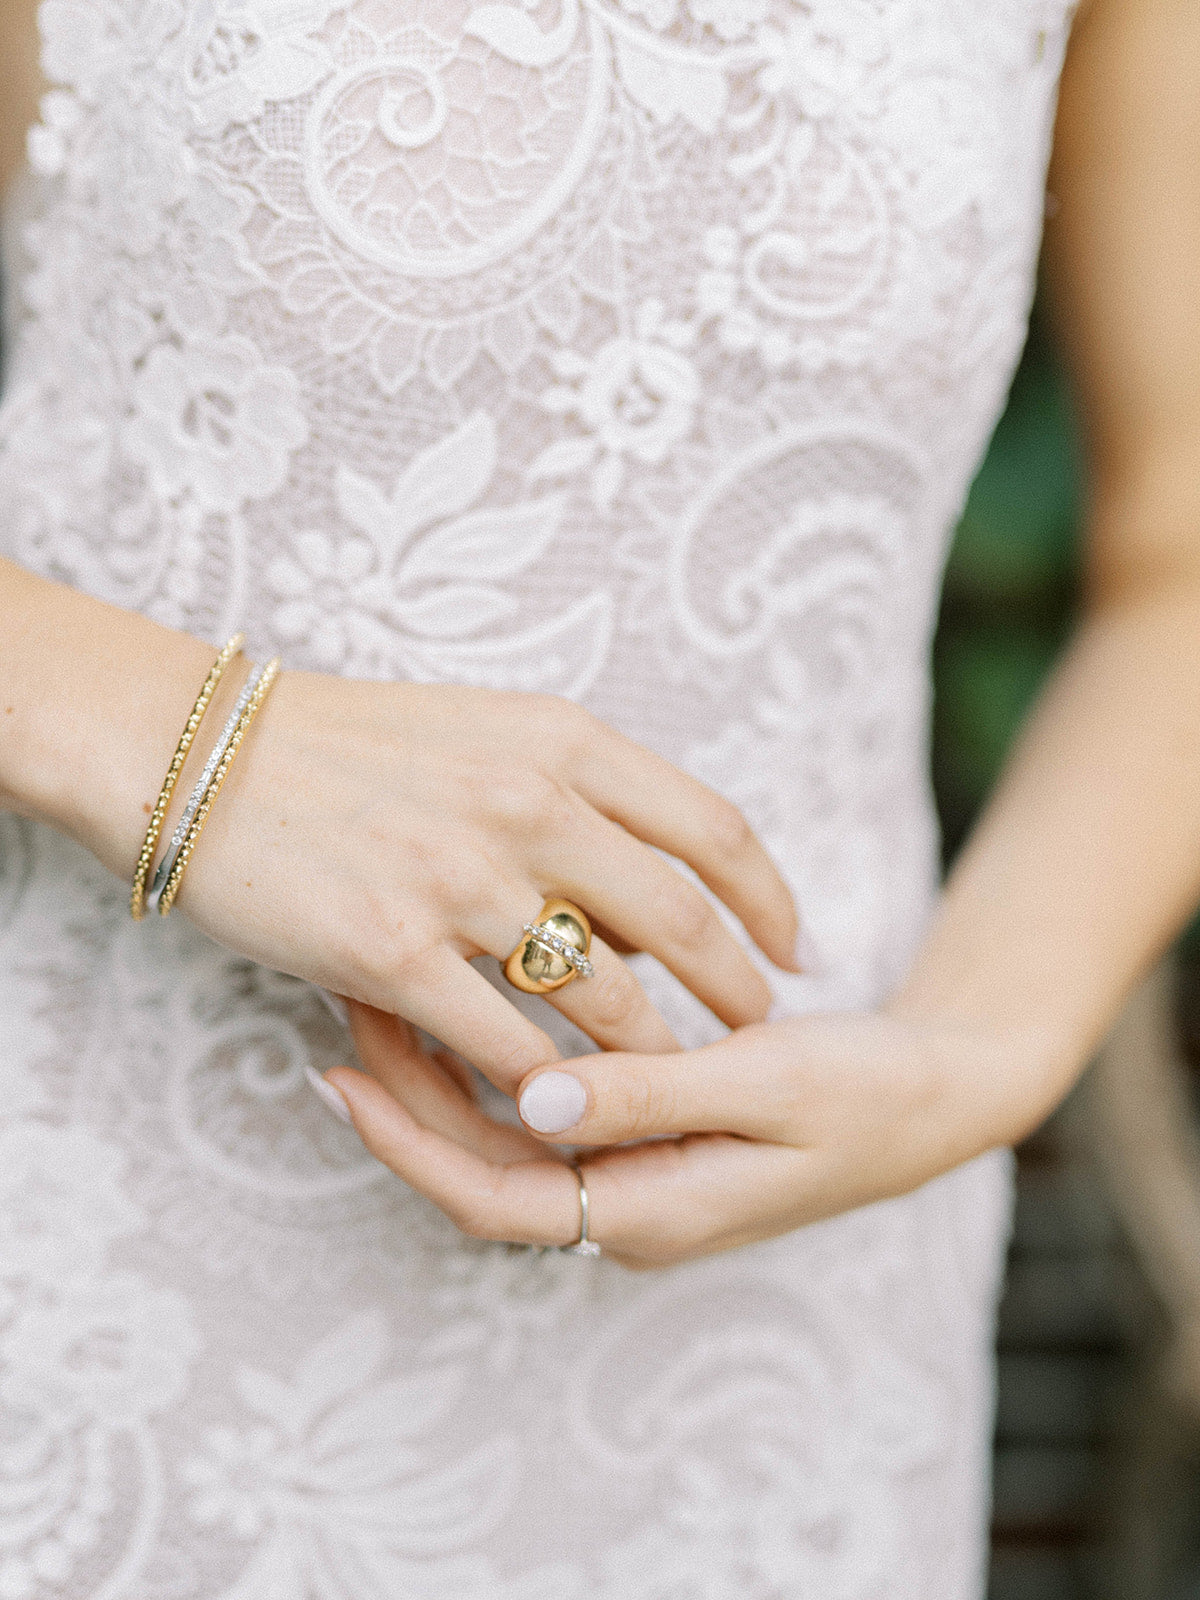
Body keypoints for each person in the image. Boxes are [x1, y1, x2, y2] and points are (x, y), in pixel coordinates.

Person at [0, 0, 1197, 1592]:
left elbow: (1179, 566)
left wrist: (975, 1050)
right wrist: (187, 744)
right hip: (96, 1240)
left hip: (787, 1295)